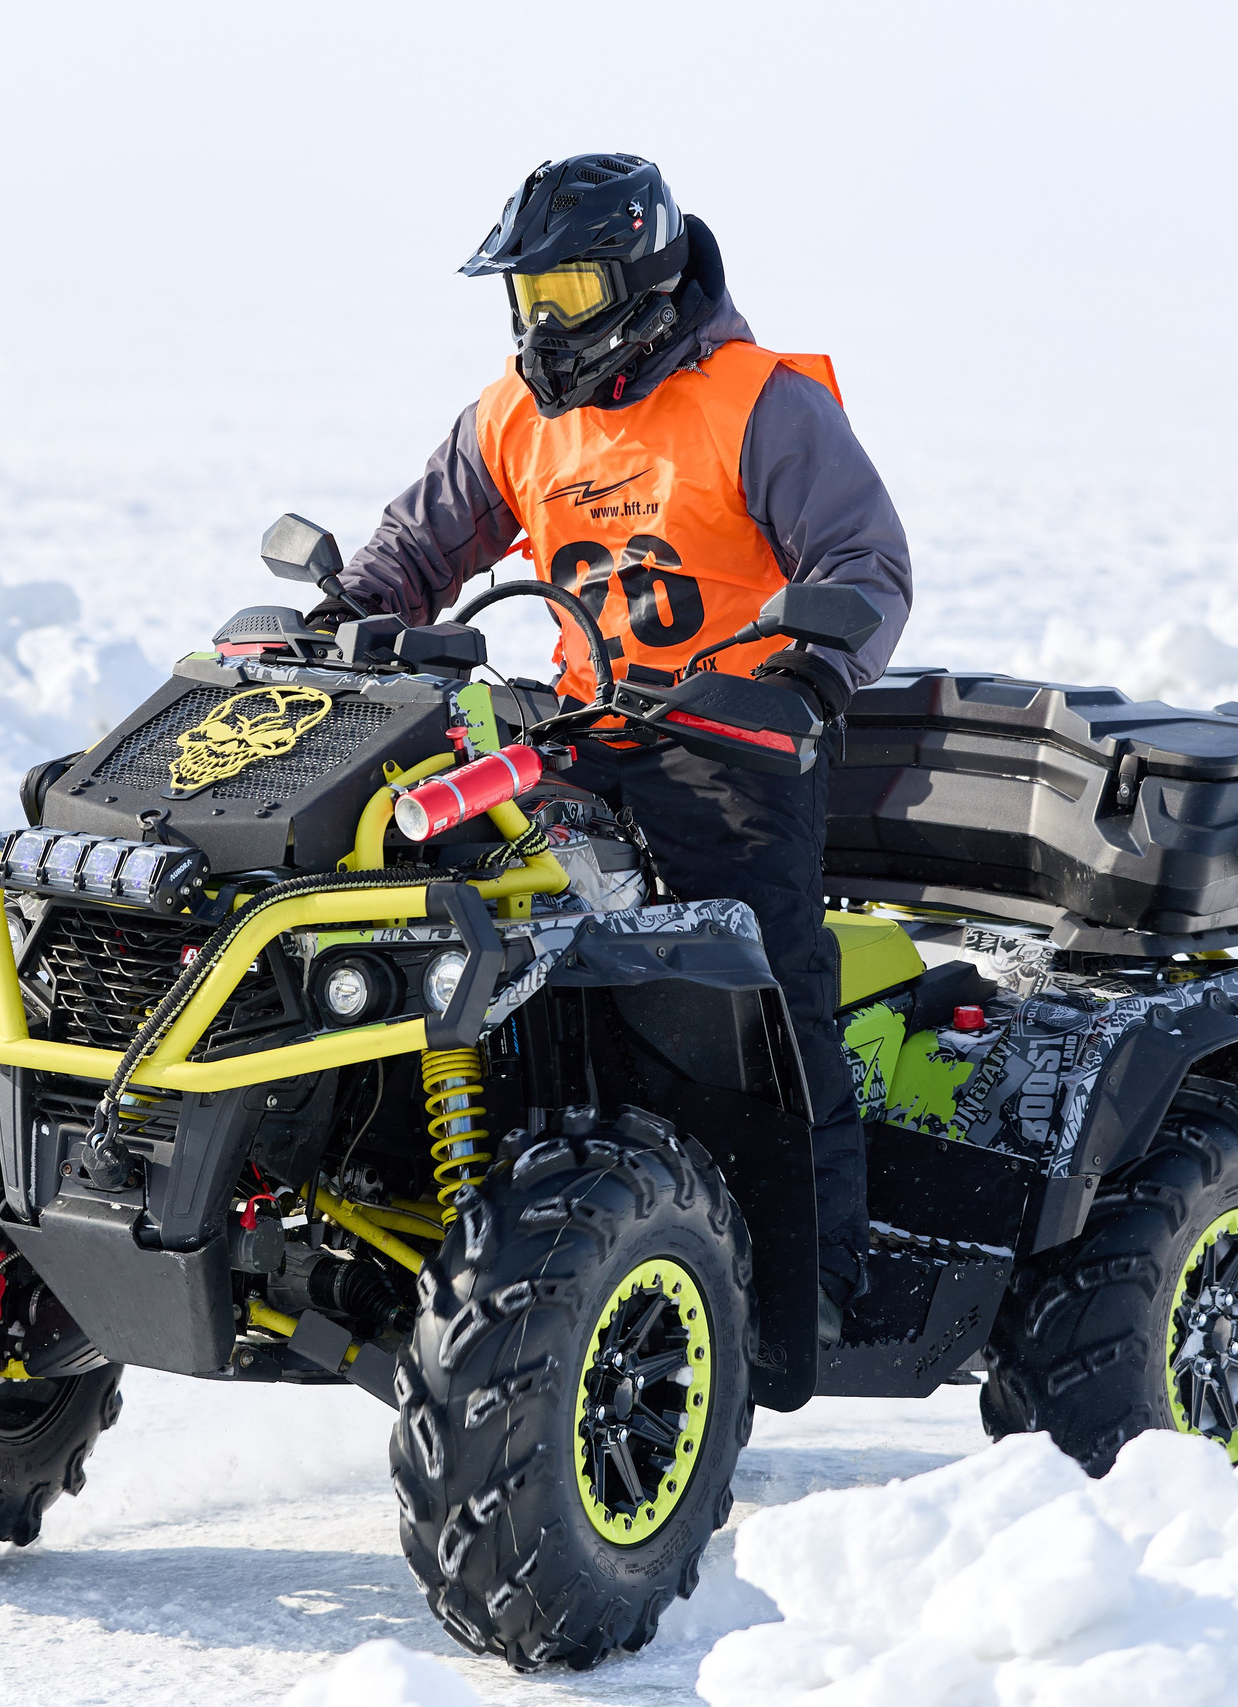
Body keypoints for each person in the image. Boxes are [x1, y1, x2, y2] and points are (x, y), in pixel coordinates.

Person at [318, 153, 914, 1344]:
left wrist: (805, 676)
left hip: (731, 747)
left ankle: (823, 1281)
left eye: (571, 292)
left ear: (644, 279)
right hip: (577, 735)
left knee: (773, 993)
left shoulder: (758, 402)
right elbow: (413, 546)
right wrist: (354, 612)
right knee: (415, 897)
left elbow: (866, 566)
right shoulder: (512, 414)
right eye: (529, 295)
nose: (545, 323)